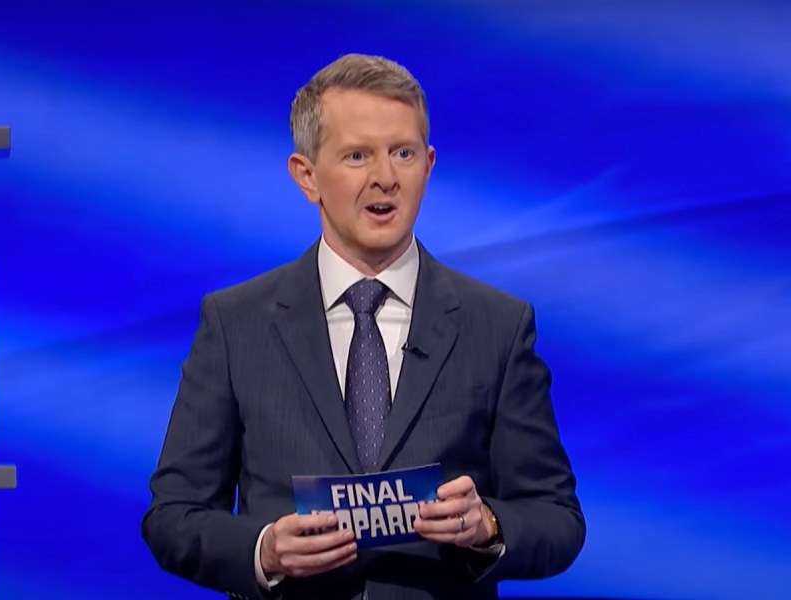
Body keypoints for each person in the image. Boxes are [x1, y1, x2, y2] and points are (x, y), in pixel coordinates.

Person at [142, 53, 585, 600]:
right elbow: (172, 517)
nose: (385, 178)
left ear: (428, 164)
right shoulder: (236, 323)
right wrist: (265, 549)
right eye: (357, 155)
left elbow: (557, 518)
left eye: (402, 153)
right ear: (306, 176)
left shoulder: (496, 324)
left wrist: (488, 526)